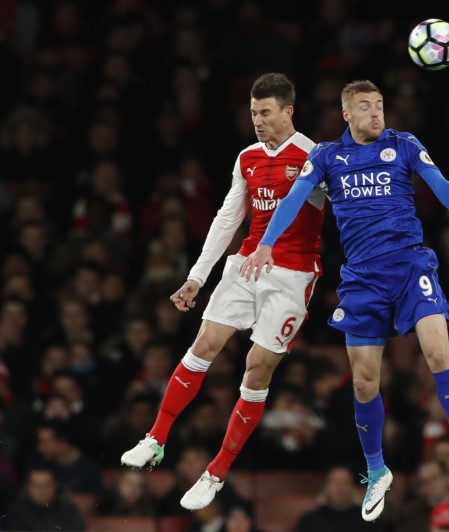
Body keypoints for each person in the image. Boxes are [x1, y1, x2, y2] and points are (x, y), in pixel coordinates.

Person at [242, 80, 449, 522]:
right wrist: (265, 243)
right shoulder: (325, 157)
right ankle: (377, 472)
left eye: (379, 106)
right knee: (363, 382)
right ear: (346, 115)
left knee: (437, 352)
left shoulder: (405, 144)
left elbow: (440, 180)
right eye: (365, 107)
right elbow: (293, 200)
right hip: (362, 279)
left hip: (411, 267)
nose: (376, 114)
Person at [121, 73, 325, 511]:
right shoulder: (247, 158)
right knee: (204, 344)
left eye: (265, 113)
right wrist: (197, 276)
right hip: (247, 264)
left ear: (288, 111)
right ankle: (155, 438)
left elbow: (344, 212)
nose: (257, 121)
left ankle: (215, 473)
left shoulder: (315, 157)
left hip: (292, 276)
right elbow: (227, 218)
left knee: (255, 370)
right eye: (253, 113)